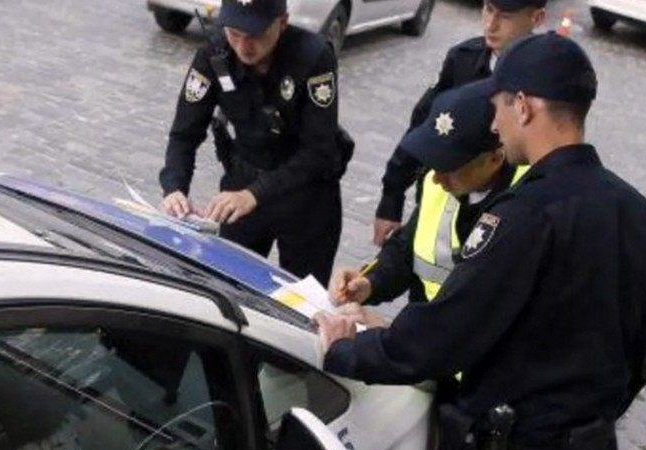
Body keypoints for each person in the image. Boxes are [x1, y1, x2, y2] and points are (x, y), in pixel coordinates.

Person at [315, 33, 646, 450]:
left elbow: (440, 339)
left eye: (502, 108)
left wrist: (346, 350)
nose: (498, 125)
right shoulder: (642, 214)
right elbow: (640, 357)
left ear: (525, 106)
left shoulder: (524, 215)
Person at [158, 0, 352, 286]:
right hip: (244, 181)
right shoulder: (215, 54)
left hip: (305, 195)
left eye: (255, 35)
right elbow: (184, 134)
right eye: (234, 33)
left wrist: (255, 194)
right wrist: (175, 188)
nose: (243, 46)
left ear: (282, 23)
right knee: (226, 283)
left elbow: (319, 152)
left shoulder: (312, 57)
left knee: (302, 299)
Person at [330, 81, 526, 326]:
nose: (436, 177)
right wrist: (371, 282)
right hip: (423, 330)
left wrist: (391, 333)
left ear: (495, 158)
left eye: (450, 166)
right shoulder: (439, 183)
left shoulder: (527, 207)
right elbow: (409, 245)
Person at [372, 0, 547, 247]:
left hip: (504, 214)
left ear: (536, 18)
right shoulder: (463, 59)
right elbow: (423, 125)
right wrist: (391, 199)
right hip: (445, 195)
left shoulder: (547, 80)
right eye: (488, 9)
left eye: (505, 16)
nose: (491, 24)